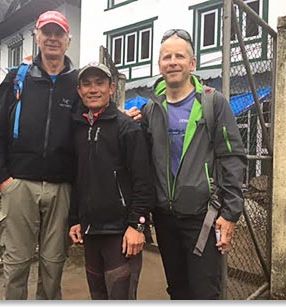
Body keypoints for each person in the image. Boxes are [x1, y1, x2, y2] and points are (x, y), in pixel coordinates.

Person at [140, 29, 247, 299]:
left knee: (205, 293)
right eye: (166, 57)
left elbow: (232, 157)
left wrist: (231, 213)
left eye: (179, 56)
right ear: (159, 65)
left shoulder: (213, 103)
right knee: (177, 290)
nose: (172, 62)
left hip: (204, 217)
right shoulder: (151, 109)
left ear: (192, 63)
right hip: (165, 218)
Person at [0, 11, 78, 299]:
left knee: (53, 266)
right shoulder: (17, 79)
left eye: (58, 33)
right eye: (47, 32)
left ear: (68, 40)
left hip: (62, 187)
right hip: (19, 185)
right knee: (16, 265)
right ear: (37, 37)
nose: (52, 38)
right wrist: (4, 180)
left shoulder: (77, 84)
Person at [68, 62, 153, 300]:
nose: (93, 89)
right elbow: (78, 177)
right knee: (98, 298)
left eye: (99, 83)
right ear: (79, 91)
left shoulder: (127, 128)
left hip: (122, 234)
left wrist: (137, 225)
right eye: (86, 84)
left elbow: (143, 181)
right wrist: (75, 219)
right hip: (91, 233)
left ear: (111, 88)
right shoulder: (78, 129)